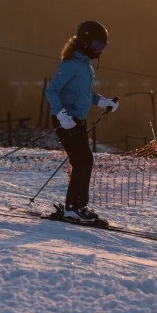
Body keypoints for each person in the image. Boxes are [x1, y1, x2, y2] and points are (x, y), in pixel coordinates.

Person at [45, 20, 119, 223]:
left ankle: (74, 206)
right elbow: (51, 90)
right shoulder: (71, 64)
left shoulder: (85, 64)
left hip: (77, 120)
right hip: (66, 121)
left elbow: (84, 93)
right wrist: (62, 115)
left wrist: (103, 102)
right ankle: (74, 207)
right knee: (83, 161)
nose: (100, 51)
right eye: (97, 46)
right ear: (86, 43)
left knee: (82, 162)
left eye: (103, 47)